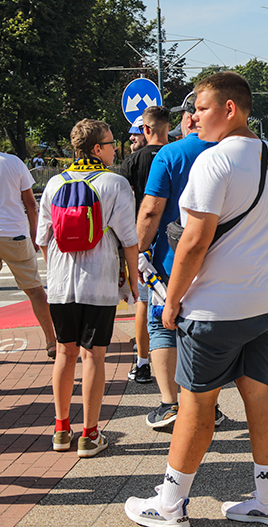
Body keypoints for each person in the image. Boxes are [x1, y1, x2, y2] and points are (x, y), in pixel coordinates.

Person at [124, 71, 268, 526]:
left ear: (229, 109)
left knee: (196, 405)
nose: (193, 117)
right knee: (261, 394)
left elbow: (194, 242)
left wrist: (173, 300)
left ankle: (170, 506)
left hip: (217, 306)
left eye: (200, 108)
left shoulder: (214, 161)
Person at [38, 119, 139, 457]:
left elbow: (43, 239)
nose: (115, 148)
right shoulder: (115, 183)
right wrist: (133, 282)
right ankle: (90, 434)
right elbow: (129, 239)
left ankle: (61, 429)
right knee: (94, 355)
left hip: (61, 283)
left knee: (65, 353)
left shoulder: (54, 183)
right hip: (99, 282)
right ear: (97, 149)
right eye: (111, 143)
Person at [135, 96, 223, 429]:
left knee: (162, 327)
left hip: (170, 260)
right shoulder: (234, 154)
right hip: (220, 260)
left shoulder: (170, 154)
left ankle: (170, 404)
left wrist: (139, 251)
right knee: (205, 332)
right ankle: (205, 404)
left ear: (187, 119)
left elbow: (150, 210)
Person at [0, 114, 56, 365]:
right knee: (35, 290)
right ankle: (51, 341)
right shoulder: (13, 162)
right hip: (14, 234)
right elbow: (30, 204)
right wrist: (36, 233)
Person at [120, 106, 169, 388]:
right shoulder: (177, 154)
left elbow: (126, 205)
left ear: (145, 130)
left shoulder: (132, 161)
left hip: (143, 240)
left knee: (145, 302)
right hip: (175, 238)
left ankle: (142, 364)